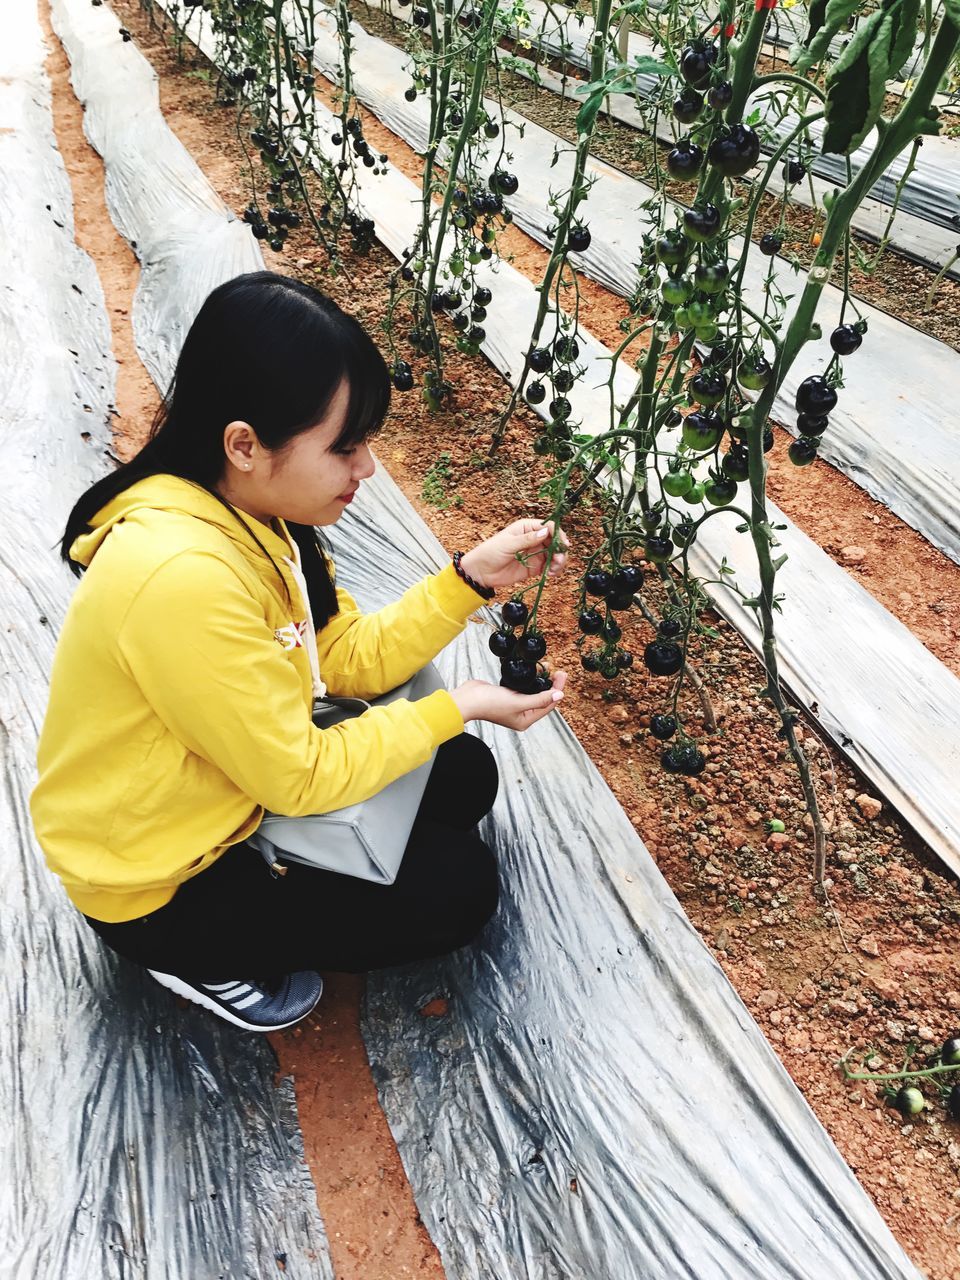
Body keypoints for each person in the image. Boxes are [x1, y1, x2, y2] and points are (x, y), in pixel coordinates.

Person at [29, 271, 570, 1033]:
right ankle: (190, 956)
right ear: (245, 444)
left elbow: (340, 658)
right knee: (459, 891)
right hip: (163, 874)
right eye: (346, 447)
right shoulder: (181, 578)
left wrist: (468, 581)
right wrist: (466, 704)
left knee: (463, 778)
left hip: (232, 785)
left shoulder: (263, 516)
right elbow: (297, 776)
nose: (367, 470)